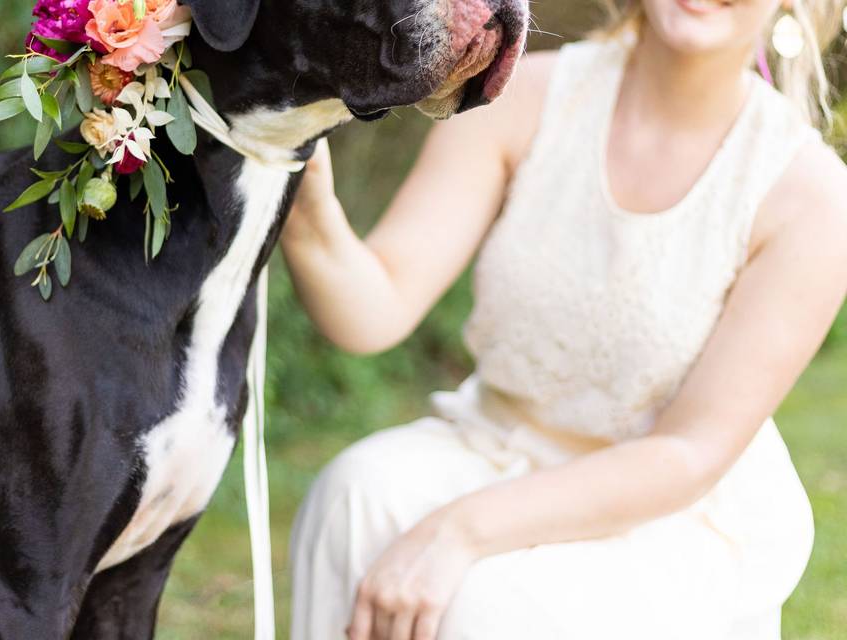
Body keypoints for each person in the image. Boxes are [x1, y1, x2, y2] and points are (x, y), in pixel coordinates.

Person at [282, 0, 847, 637]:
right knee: (351, 495)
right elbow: (376, 306)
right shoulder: (518, 98)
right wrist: (303, 198)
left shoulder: (811, 197)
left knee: (484, 605)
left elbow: (688, 453)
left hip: (665, 512)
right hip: (492, 446)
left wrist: (459, 529)